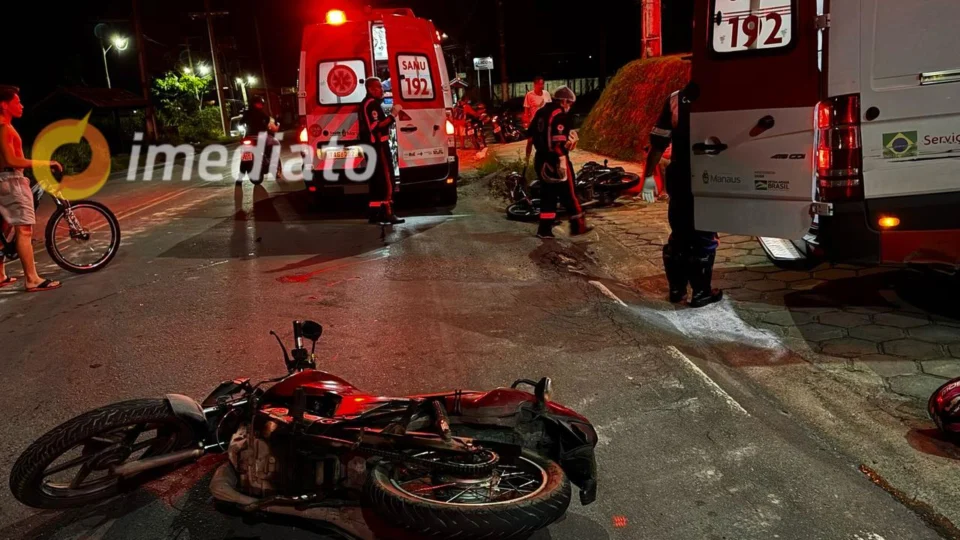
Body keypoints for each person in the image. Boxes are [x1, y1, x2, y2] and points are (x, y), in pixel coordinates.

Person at [643, 82, 722, 308]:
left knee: (679, 234)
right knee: (704, 236)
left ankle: (677, 290)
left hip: (679, 176)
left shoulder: (676, 99)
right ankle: (701, 292)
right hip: (708, 176)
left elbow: (659, 142)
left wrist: (648, 176)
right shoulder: (720, 93)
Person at [0, 85, 62, 292]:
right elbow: (11, 159)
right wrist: (46, 164)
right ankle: (32, 279)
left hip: (6, 180)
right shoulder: (3, 127)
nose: (21, 105)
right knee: (24, 230)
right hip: (10, 180)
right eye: (17, 102)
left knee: (4, 228)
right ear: (4, 105)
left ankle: (0, 275)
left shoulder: (5, 126)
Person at [528, 86, 591, 239]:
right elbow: (557, 143)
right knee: (569, 192)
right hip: (556, 160)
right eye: (569, 103)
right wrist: (562, 159)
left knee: (548, 194)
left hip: (541, 160)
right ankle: (578, 226)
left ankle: (544, 230)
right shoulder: (559, 115)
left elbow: (530, 134)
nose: (569, 106)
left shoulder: (541, 112)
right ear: (563, 101)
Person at [358, 78, 404, 224]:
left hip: (374, 147)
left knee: (377, 181)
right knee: (387, 180)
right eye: (378, 88)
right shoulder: (371, 105)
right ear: (371, 89)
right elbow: (377, 127)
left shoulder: (369, 103)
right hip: (378, 146)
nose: (382, 90)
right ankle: (388, 213)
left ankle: (375, 213)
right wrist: (393, 115)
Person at [240, 95, 282, 181]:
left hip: (248, 137)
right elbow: (268, 122)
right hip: (261, 136)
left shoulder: (246, 113)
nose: (261, 105)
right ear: (255, 104)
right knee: (276, 143)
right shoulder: (260, 113)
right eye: (259, 103)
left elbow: (241, 123)